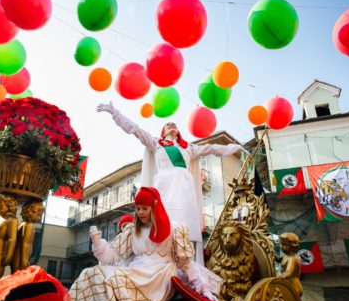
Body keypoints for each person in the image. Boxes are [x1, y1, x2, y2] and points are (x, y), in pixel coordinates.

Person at [98, 102, 247, 263]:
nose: (171, 126)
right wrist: (115, 112)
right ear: (163, 131)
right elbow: (135, 129)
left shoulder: (189, 148)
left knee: (184, 228)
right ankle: (163, 264)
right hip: (164, 188)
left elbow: (212, 148)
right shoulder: (156, 143)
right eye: (168, 125)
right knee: (164, 224)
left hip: (184, 189)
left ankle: (187, 267)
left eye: (174, 124)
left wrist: (235, 147)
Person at [69, 187, 221, 301]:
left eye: (144, 208)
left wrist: (203, 288)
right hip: (136, 270)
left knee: (119, 279)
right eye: (137, 208)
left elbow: (186, 264)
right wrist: (97, 242)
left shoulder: (175, 228)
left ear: (154, 207)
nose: (140, 212)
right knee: (90, 273)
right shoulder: (132, 231)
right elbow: (113, 257)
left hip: (160, 275)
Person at [11, 201, 44, 273]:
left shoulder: (24, 224)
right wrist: (24, 259)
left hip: (20, 256)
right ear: (30, 212)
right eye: (39, 214)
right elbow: (25, 243)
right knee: (18, 276)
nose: (40, 217)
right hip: (21, 257)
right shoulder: (28, 225)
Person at [277, 232, 303, 297]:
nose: (281, 246)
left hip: (294, 287)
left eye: (284, 244)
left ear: (292, 246)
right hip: (288, 286)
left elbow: (289, 272)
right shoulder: (285, 257)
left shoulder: (292, 259)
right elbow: (277, 259)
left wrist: (278, 278)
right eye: (281, 244)